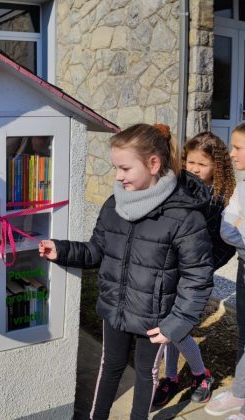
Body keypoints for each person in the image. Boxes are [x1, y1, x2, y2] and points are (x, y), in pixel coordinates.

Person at [39, 123, 214, 420]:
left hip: (154, 318)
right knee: (110, 366)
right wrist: (62, 250)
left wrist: (176, 323)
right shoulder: (113, 205)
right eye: (115, 168)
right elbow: (96, 250)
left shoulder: (184, 216)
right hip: (115, 310)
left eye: (125, 168)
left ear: (153, 164)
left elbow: (198, 277)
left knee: (146, 374)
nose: (118, 176)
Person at [153, 132, 236, 406]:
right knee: (168, 325)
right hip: (171, 269)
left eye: (202, 164)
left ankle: (201, 375)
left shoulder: (222, 199)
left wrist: (204, 266)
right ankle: (171, 378)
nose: (194, 169)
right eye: (190, 162)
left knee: (177, 328)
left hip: (195, 277)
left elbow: (226, 245)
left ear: (218, 166)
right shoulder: (179, 187)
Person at [205, 123, 245, 419]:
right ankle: (241, 392)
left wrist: (240, 223)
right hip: (244, 268)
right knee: (244, 334)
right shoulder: (242, 187)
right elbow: (227, 230)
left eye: (239, 148)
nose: (232, 153)